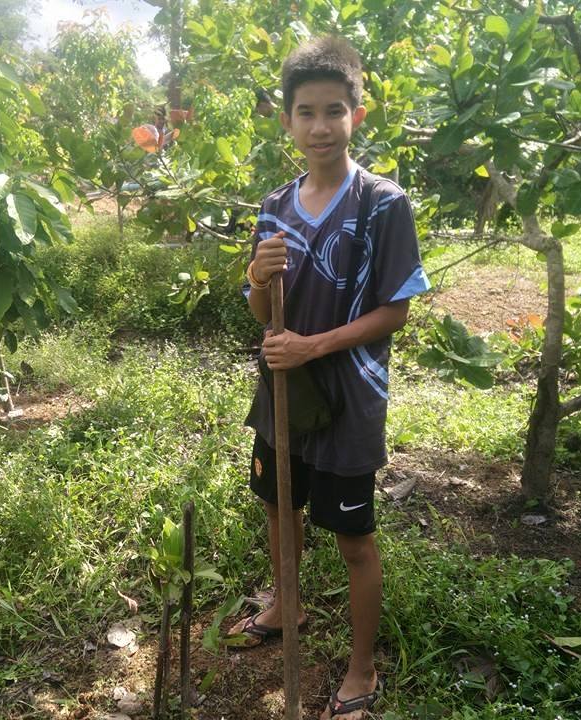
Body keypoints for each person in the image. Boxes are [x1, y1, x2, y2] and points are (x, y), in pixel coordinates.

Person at [228, 35, 430, 720]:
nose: (320, 127)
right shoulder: (275, 206)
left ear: (356, 116)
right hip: (284, 389)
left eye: (334, 111)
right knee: (277, 505)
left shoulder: (382, 203)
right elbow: (263, 311)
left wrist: (313, 346)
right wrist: (258, 277)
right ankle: (286, 605)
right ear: (287, 121)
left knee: (353, 539)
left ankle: (361, 667)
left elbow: (395, 311)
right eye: (306, 113)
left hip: (348, 396)